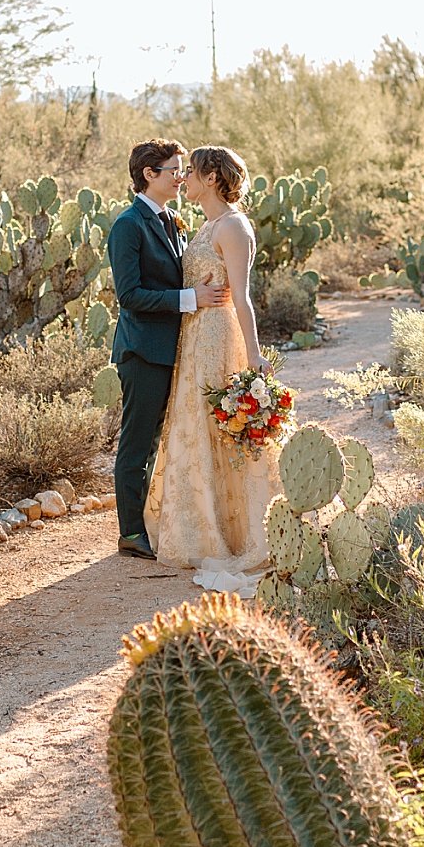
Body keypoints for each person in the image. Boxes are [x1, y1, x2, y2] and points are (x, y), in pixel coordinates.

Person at [145, 144, 282, 592]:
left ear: (212, 178)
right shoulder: (208, 225)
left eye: (193, 173)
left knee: (222, 429)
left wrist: (255, 354)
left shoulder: (235, 227)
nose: (184, 179)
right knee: (195, 426)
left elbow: (241, 296)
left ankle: (240, 533)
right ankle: (200, 528)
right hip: (194, 338)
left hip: (220, 337)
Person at [108, 139, 228, 559]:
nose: (181, 177)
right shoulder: (128, 224)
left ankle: (155, 524)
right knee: (137, 443)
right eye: (174, 170)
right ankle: (130, 533)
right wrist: (190, 298)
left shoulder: (172, 219)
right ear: (148, 175)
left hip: (175, 350)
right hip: (142, 351)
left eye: (183, 170)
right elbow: (130, 296)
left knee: (163, 440)